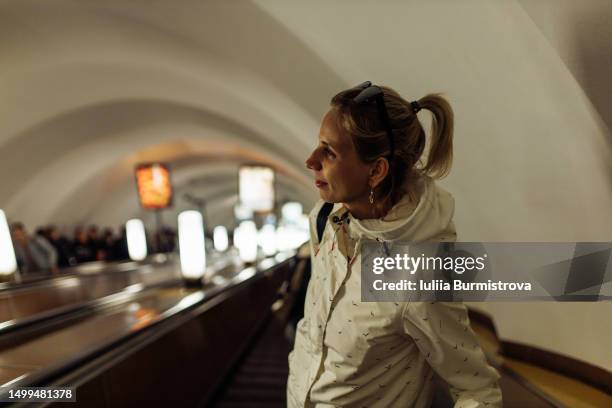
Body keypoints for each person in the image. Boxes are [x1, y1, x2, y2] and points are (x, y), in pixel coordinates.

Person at [287, 82, 502, 407]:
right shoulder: (326, 217)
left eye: (329, 152)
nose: (310, 160)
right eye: (319, 145)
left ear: (376, 171)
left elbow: (478, 390)